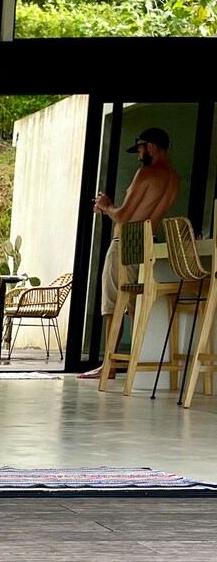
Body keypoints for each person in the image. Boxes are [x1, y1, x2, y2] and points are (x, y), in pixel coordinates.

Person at [93, 126, 180, 383]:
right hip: (148, 241)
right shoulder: (174, 179)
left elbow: (122, 215)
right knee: (133, 304)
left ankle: (108, 364)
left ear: (150, 147)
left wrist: (106, 206)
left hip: (126, 240)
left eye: (140, 150)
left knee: (114, 305)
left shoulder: (146, 173)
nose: (139, 155)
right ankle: (136, 360)